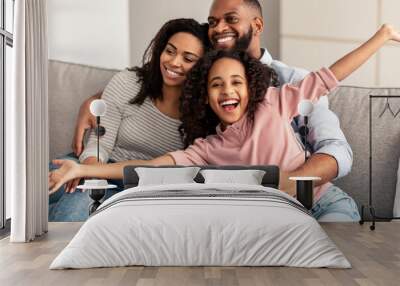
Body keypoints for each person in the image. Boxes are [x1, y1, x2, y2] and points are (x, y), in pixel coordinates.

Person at [49, 24, 400, 221]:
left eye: (236, 82)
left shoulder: (275, 103)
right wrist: (80, 170)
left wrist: (382, 37)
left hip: (325, 201)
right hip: (281, 214)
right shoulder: (207, 148)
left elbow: (331, 75)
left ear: (252, 88)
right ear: (204, 96)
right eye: (216, 85)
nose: (227, 90)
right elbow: (152, 165)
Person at [72, 0, 352, 204]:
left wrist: (293, 181)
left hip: (308, 198)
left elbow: (336, 149)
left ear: (257, 24)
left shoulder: (291, 85)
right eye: (214, 22)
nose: (219, 29)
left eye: (231, 19)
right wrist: (98, 102)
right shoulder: (205, 104)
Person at [48, 18, 209, 221]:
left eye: (188, 58)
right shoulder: (128, 82)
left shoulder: (203, 115)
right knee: (36, 195)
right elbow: (100, 143)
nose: (174, 62)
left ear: (203, 67)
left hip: (136, 186)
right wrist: (89, 171)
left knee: (77, 207)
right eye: (170, 51)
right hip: (95, 163)